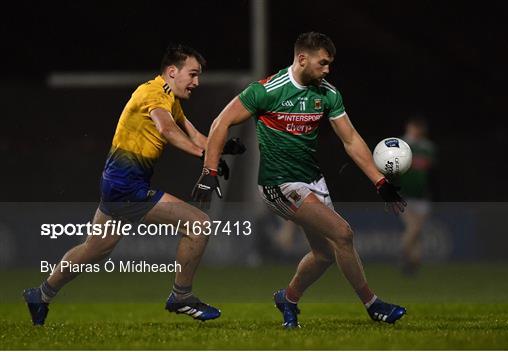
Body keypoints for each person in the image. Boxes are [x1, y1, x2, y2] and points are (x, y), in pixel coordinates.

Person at [192, 32, 407, 328]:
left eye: (330, 64)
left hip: (312, 180)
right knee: (343, 234)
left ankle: (288, 298)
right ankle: (374, 305)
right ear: (302, 59)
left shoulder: (328, 93)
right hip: (278, 183)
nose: (328, 69)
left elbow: (351, 139)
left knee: (324, 255)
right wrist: (209, 171)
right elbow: (221, 122)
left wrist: (380, 182)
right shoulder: (267, 90)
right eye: (323, 63)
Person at [23, 44, 245, 325]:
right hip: (127, 187)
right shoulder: (153, 93)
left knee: (95, 249)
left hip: (117, 183)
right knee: (198, 224)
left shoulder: (170, 99)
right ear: (172, 72)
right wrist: (204, 156)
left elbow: (195, 135)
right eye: (192, 74)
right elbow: (167, 129)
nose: (196, 82)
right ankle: (181, 296)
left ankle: (40, 294)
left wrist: (221, 148)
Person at [399, 116, 437, 275]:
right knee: (413, 228)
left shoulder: (427, 147)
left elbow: (428, 165)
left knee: (417, 231)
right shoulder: (400, 144)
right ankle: (405, 255)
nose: (415, 131)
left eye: (418, 128)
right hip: (403, 195)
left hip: (422, 196)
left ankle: (413, 264)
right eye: (413, 127)